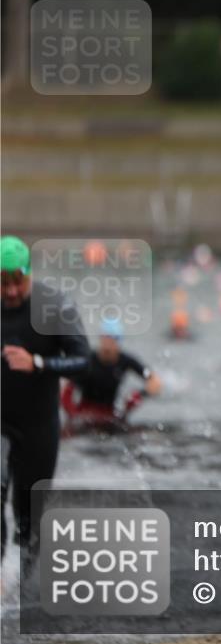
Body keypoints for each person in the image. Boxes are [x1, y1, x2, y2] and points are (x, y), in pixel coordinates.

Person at [1, 235, 89, 561]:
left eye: (18, 282)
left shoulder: (54, 305)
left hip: (39, 425)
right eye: (2, 283)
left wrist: (38, 363)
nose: (10, 291)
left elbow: (82, 360)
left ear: (29, 274)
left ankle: (23, 591)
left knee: (30, 518)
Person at [61, 318, 162, 434]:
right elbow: (66, 393)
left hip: (109, 416)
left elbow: (154, 380)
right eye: (105, 338)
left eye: (113, 340)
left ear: (119, 342)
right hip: (84, 414)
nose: (108, 344)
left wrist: (139, 395)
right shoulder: (88, 360)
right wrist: (74, 416)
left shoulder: (126, 361)